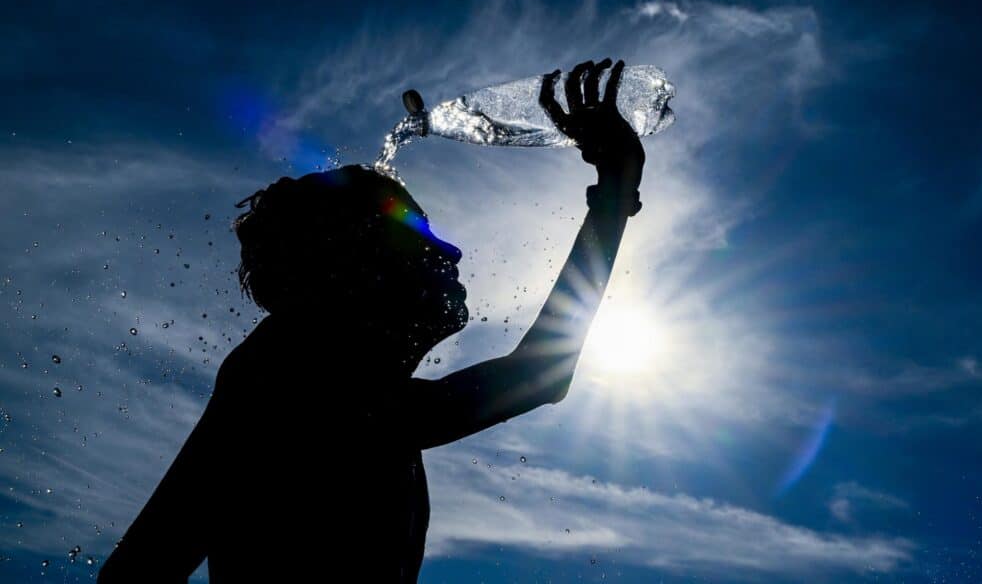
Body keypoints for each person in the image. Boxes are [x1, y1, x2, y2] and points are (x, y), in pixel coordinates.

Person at [97, 58, 645, 583]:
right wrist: (613, 192)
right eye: (420, 236)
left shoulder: (348, 393)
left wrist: (616, 193)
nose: (451, 252)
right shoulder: (285, 373)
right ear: (355, 262)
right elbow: (140, 570)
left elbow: (541, 376)